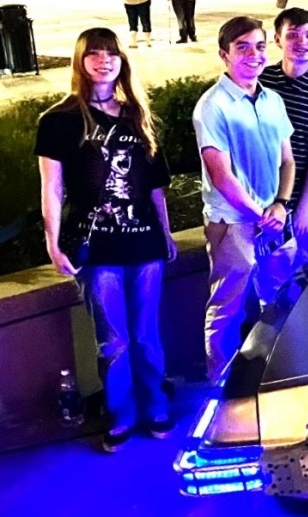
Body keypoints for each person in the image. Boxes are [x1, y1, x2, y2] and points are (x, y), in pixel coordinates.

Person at [36, 28, 176, 452]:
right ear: (80, 61)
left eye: (111, 53)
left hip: (145, 244)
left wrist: (166, 233)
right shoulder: (58, 121)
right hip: (97, 248)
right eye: (93, 53)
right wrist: (53, 241)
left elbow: (155, 184)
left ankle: (155, 407)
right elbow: (51, 187)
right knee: (113, 338)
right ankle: (121, 414)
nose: (103, 60)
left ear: (121, 60)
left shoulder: (136, 115)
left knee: (147, 333)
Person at [192, 16, 297, 381]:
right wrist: (261, 215)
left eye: (259, 46)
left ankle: (278, 378)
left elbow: (288, 160)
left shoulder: (272, 100)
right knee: (227, 309)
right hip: (234, 224)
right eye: (242, 47)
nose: (253, 55)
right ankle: (220, 391)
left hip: (274, 219)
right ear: (224, 54)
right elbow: (221, 176)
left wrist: (281, 205)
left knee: (282, 302)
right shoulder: (213, 106)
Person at [259, 9, 308, 272]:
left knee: (300, 272)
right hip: (255, 195)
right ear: (278, 39)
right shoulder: (261, 82)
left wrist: (304, 210)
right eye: (292, 35)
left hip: (294, 199)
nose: (302, 42)